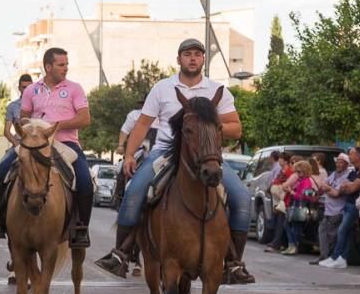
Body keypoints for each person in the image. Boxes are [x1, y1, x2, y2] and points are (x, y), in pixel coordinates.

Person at [94, 38, 250, 278]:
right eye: (187, 54)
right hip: (165, 152)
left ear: (203, 60)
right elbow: (142, 124)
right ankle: (121, 254)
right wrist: (128, 156)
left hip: (206, 154)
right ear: (179, 59)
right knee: (135, 191)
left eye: (197, 54)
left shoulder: (218, 91)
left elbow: (236, 128)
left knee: (241, 198)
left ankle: (234, 263)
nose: (193, 58)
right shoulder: (162, 88)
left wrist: (208, 124)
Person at [0, 47, 94, 248]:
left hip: (66, 144)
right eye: (61, 65)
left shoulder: (75, 89)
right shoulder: (32, 90)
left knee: (85, 182)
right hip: (33, 143)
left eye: (66, 64)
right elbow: (23, 117)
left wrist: (54, 127)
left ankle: (80, 228)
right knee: (1, 172)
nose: (66, 68)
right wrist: (29, 127)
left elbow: (85, 119)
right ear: (48, 66)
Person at [320, 146, 360, 269]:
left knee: (342, 230)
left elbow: (351, 188)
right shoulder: (353, 171)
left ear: (358, 156)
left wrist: (347, 186)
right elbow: (343, 187)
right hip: (349, 203)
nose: (350, 155)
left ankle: (336, 256)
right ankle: (342, 258)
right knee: (346, 232)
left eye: (351, 154)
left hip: (355, 205)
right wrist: (345, 186)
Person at [312, 153, 350, 265]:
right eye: (337, 162)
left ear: (346, 164)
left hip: (338, 210)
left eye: (341, 162)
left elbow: (335, 193)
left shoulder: (347, 176)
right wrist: (328, 188)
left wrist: (328, 188)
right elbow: (322, 185)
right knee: (323, 230)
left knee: (331, 235)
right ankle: (325, 256)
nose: (338, 164)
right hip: (329, 209)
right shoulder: (334, 174)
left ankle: (330, 257)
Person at [281, 160, 315, 256]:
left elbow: (304, 196)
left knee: (296, 227)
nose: (298, 174)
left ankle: (294, 245)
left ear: (305, 171)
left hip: (300, 205)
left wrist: (291, 192)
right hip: (294, 205)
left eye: (299, 172)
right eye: (297, 171)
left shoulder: (306, 181)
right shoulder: (300, 180)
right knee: (288, 224)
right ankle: (291, 245)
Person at [3, 74, 34, 148]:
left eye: (29, 87)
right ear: (19, 88)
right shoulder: (12, 106)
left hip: (37, 143)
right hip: (20, 143)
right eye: (24, 87)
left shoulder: (39, 104)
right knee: (4, 160)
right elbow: (6, 131)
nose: (26, 90)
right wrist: (17, 144)